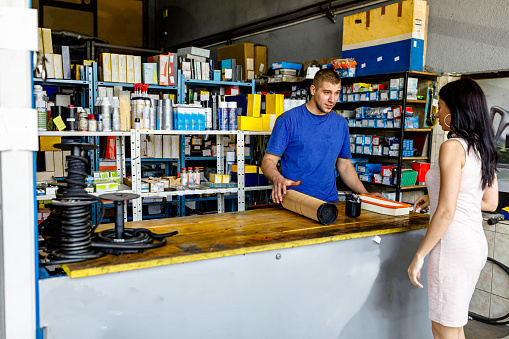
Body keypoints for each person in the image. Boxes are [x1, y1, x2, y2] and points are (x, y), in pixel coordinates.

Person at [408, 78, 499, 339]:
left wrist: (420, 255)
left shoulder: (451, 147)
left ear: (454, 110)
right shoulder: (482, 147)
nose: (436, 113)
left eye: (440, 106)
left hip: (451, 247)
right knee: (454, 326)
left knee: (443, 328)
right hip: (474, 245)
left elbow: (447, 211)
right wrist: (433, 195)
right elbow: (488, 202)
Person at [261, 68, 382, 203]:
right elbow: (268, 161)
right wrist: (278, 178)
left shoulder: (340, 124)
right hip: (293, 201)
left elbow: (344, 166)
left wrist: (365, 194)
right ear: (313, 90)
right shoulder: (288, 120)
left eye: (337, 93)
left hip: (328, 203)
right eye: (327, 93)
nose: (332, 99)